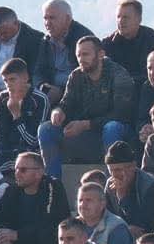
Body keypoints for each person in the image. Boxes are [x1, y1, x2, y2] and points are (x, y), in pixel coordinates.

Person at [39, 35, 134, 178]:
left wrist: (86, 125)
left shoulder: (119, 75)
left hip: (119, 134)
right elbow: (66, 103)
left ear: (101, 54)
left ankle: (113, 184)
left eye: (86, 54)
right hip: (88, 134)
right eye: (78, 55)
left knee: (112, 127)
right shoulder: (76, 76)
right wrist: (58, 112)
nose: (81, 59)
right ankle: (54, 184)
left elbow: (121, 114)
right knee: (46, 129)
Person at [0, 58, 48, 170]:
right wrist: (3, 152)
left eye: (12, 79)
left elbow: (34, 140)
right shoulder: (2, 98)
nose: (8, 85)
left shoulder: (40, 99)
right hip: (7, 152)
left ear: (25, 78)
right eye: (5, 81)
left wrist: (17, 116)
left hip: (31, 153)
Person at [101, 0, 154, 85]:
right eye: (118, 17)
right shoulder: (108, 44)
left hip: (149, 89)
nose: (121, 21)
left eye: (125, 17)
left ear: (139, 19)